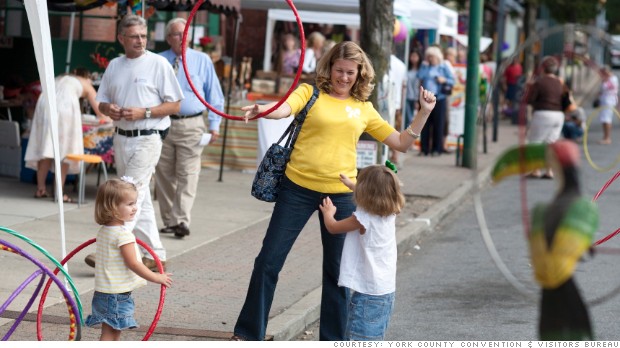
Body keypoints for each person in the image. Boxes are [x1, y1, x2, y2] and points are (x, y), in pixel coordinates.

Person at [231, 41, 436, 341]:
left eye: (350, 72)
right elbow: (284, 109)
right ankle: (249, 333)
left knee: (339, 273)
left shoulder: (364, 109)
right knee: (268, 260)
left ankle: (333, 340)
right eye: (339, 70)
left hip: (342, 195)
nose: (343, 77)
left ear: (360, 74)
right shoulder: (309, 92)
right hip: (296, 189)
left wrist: (424, 112)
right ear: (329, 68)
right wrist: (264, 110)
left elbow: (401, 143)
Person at [87, 14, 184, 271]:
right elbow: (102, 101)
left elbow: (175, 104)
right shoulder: (114, 66)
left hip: (149, 136)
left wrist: (145, 112)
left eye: (144, 35)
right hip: (121, 136)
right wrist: (110, 109)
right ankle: (157, 255)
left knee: (129, 192)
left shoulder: (159, 64)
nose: (141, 40)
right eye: (135, 36)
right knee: (138, 196)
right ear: (122, 38)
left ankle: (110, 248)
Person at [155, 18, 224, 238]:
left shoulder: (202, 60)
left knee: (187, 173)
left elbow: (215, 95)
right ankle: (169, 220)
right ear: (168, 38)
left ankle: (181, 221)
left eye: (186, 33)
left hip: (192, 124)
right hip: (163, 123)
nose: (182, 37)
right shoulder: (159, 61)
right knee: (164, 175)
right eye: (177, 34)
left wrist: (214, 125)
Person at [318, 165, 404, 341]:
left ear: (366, 192)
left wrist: (329, 213)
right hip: (385, 292)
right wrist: (350, 184)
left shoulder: (363, 219)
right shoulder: (390, 210)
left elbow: (333, 227)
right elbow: (378, 192)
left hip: (367, 296)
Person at [85, 178, 173, 341]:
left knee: (110, 332)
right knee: (112, 333)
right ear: (112, 208)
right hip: (116, 295)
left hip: (103, 293)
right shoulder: (123, 235)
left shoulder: (104, 231)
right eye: (130, 204)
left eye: (135, 203)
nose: (135, 208)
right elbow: (133, 263)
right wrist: (156, 277)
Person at [24, 68, 108, 202]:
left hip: (44, 104)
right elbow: (100, 112)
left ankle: (41, 188)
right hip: (64, 106)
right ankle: (59, 192)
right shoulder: (86, 83)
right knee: (65, 149)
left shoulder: (61, 78)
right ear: (87, 77)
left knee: (47, 146)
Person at [525, 56, 565, 179]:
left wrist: (529, 87)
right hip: (558, 115)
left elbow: (529, 100)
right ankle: (549, 171)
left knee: (536, 142)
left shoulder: (539, 82)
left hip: (543, 114)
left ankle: (536, 170)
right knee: (551, 143)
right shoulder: (560, 82)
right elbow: (565, 99)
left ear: (543, 69)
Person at [417, 46, 454, 157]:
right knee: (424, 124)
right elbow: (419, 76)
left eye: (431, 56)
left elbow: (452, 80)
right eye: (428, 56)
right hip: (426, 98)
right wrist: (424, 66)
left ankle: (436, 149)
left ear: (437, 57)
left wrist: (444, 80)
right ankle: (424, 149)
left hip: (439, 97)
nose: (430, 59)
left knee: (438, 123)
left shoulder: (443, 67)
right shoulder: (426, 67)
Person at [388, 54, 408, 164]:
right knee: (396, 129)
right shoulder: (401, 65)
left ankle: (391, 154)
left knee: (388, 130)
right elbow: (404, 86)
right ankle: (395, 155)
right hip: (397, 101)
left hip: (387, 100)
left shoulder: (385, 61)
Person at [597, 65, 619, 145]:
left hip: (609, 101)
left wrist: (605, 79)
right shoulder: (607, 79)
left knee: (607, 119)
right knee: (604, 119)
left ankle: (607, 137)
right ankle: (605, 137)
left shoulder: (612, 79)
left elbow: (609, 87)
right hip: (605, 100)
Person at [404, 50, 422, 129]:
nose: (413, 58)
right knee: (408, 119)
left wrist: (417, 100)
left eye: (415, 56)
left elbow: (418, 86)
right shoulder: (407, 69)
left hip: (415, 98)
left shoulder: (421, 71)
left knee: (413, 119)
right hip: (407, 97)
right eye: (412, 56)